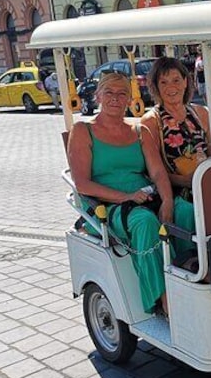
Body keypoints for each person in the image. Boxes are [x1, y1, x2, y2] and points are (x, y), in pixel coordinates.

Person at [67, 72, 174, 315]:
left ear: (129, 99)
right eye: (109, 93)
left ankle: (194, 281)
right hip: (103, 207)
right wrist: (125, 197)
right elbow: (82, 184)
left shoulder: (139, 132)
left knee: (188, 212)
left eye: (122, 93)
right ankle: (161, 300)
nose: (116, 98)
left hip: (143, 197)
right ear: (98, 96)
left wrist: (167, 201)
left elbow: (157, 173)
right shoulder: (83, 130)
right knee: (145, 222)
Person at [141, 57, 211, 256]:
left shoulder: (200, 113)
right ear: (155, 86)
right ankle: (192, 264)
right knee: (188, 211)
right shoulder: (151, 121)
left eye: (176, 80)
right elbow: (154, 170)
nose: (171, 87)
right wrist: (188, 182)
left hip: (205, 182)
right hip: (176, 187)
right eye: (163, 82)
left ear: (186, 81)